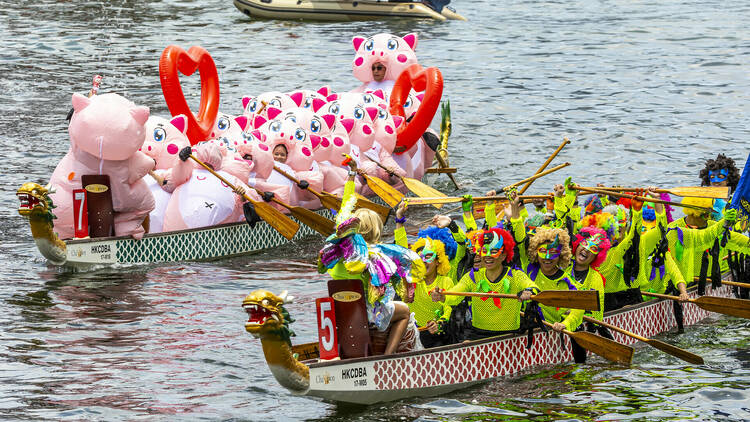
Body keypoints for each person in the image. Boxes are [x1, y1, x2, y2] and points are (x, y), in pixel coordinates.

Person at [317, 157, 424, 355]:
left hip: (342, 312)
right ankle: (388, 355)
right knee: (405, 313)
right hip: (368, 314)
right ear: (375, 230)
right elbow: (403, 260)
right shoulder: (376, 254)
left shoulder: (339, 248)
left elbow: (345, 207)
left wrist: (351, 174)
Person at [430, 227, 539, 340]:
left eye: (494, 251)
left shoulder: (515, 275)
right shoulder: (473, 276)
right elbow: (456, 293)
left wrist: (529, 291)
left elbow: (532, 286)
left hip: (510, 335)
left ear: (504, 255)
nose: (488, 256)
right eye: (485, 251)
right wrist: (443, 296)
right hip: (479, 334)